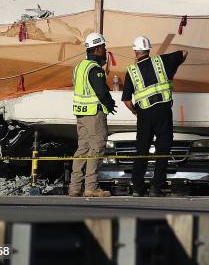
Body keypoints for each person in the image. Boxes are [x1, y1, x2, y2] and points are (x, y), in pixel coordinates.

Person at [122, 36, 187, 197]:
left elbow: (127, 100)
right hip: (163, 112)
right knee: (163, 149)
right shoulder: (162, 62)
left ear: (136, 52)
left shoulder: (132, 71)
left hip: (144, 114)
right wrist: (173, 69)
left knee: (141, 150)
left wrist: (135, 111)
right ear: (148, 49)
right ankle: (155, 187)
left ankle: (137, 188)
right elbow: (184, 52)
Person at [69, 32, 117, 197]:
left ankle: (74, 187)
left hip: (80, 114)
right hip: (93, 114)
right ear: (96, 49)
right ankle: (91, 186)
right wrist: (110, 104)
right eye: (103, 46)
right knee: (96, 148)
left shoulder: (79, 67)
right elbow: (101, 92)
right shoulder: (94, 69)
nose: (105, 49)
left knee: (82, 149)